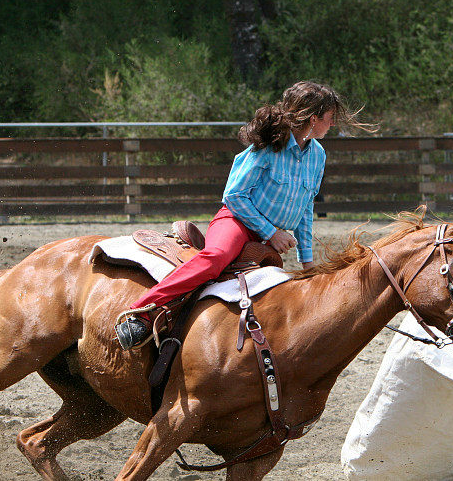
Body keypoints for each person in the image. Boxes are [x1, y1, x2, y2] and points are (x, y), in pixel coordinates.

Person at [115, 81, 360, 350]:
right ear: (314, 119)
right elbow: (234, 196)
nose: (332, 123)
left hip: (270, 237)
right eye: (330, 118)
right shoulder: (269, 147)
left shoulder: (318, 156)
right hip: (236, 221)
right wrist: (271, 232)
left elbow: (305, 208)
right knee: (215, 259)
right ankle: (140, 312)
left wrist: (307, 262)